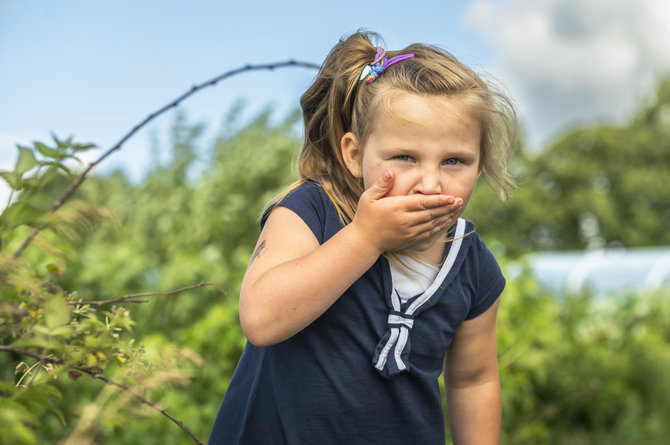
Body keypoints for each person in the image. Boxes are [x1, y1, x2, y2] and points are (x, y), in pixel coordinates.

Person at [208, 30, 516, 445]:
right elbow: (261, 320)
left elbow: (473, 380)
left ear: (479, 165)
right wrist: (365, 239)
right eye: (405, 157)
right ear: (355, 154)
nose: (429, 181)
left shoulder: (472, 264)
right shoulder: (312, 211)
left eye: (455, 161)